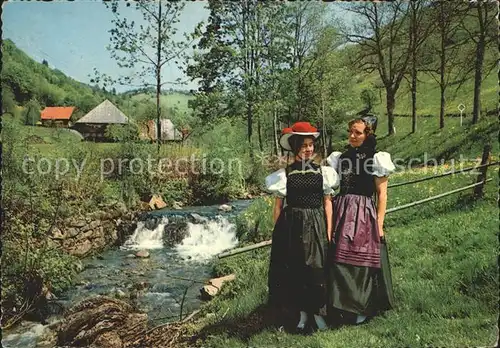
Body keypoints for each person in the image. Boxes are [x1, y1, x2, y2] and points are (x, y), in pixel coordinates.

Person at [265, 121, 339, 332]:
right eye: (304, 145)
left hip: (316, 223)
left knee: (316, 270)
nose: (308, 149)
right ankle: (302, 315)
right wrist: (277, 231)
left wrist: (328, 230)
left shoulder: (323, 173)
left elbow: (327, 203)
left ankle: (319, 314)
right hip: (292, 226)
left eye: (311, 145)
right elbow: (278, 206)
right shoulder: (285, 174)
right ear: (296, 146)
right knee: (296, 271)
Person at [326, 116, 396, 325]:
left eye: (358, 132)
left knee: (361, 261)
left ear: (368, 134)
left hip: (363, 212)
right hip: (342, 210)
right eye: (350, 132)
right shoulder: (340, 157)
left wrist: (379, 224)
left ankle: (362, 307)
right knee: (339, 260)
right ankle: (342, 305)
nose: (352, 136)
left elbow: (382, 194)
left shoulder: (376, 158)